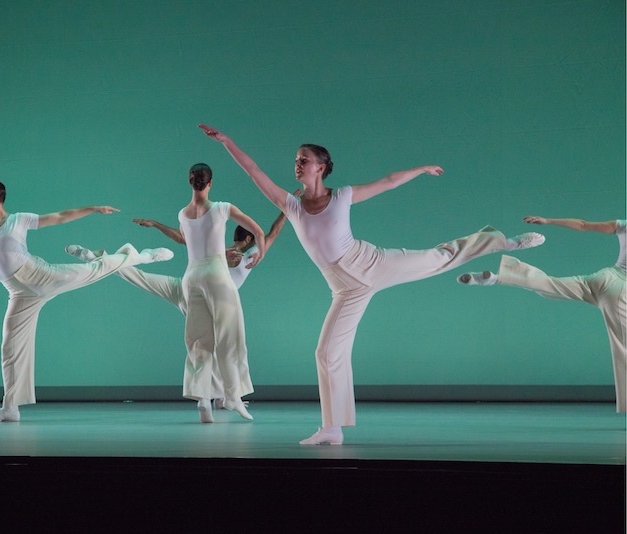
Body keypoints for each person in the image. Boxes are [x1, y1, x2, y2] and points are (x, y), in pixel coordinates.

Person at [199, 124, 546, 445]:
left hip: (371, 263)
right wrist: (227, 142)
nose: (298, 164)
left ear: (321, 167)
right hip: (345, 289)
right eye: (296, 160)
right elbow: (254, 171)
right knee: (326, 353)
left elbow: (389, 181)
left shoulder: (341, 196)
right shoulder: (291, 205)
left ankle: (505, 242)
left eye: (304, 160)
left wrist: (421, 169)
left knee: (437, 257)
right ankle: (332, 429)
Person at [0, 139, 173, 422]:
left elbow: (58, 217)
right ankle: (10, 407)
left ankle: (141, 256)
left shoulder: (18, 220)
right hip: (18, 293)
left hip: (40, 275)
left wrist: (93, 208)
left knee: (93, 270)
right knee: (10, 346)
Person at [67, 202, 294, 419]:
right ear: (249, 239)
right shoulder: (246, 253)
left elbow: (183, 239)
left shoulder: (218, 248)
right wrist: (286, 210)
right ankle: (216, 398)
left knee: (143, 278)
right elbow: (273, 233)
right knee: (214, 347)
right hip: (205, 301)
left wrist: (156, 224)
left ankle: (99, 258)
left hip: (183, 287)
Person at [458, 216, 626, 413]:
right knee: (623, 348)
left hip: (607, 277)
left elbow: (583, 225)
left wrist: (548, 221)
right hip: (622, 291)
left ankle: (496, 278)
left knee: (552, 285)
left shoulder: (624, 224)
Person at [175, 162, 265, 422]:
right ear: (210, 183)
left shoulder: (182, 214)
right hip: (216, 273)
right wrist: (260, 252)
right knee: (230, 336)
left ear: (190, 181)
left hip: (191, 276)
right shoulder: (222, 208)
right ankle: (232, 396)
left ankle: (203, 399)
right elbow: (258, 231)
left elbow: (187, 240)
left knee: (199, 340)